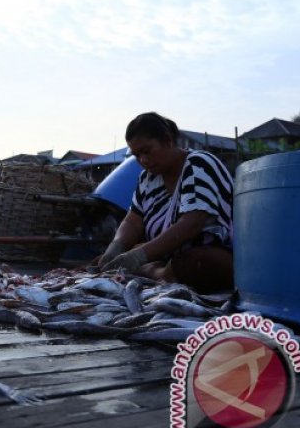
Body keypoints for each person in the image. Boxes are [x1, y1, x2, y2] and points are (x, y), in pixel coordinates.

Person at [97, 112, 234, 293]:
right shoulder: (147, 178)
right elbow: (133, 220)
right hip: (167, 257)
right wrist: (116, 247)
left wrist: (138, 257)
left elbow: (192, 223)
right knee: (105, 261)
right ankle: (156, 272)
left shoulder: (198, 164)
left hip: (214, 255)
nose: (143, 160)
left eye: (147, 151)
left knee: (196, 263)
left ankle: (152, 272)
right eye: (137, 155)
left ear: (168, 140)